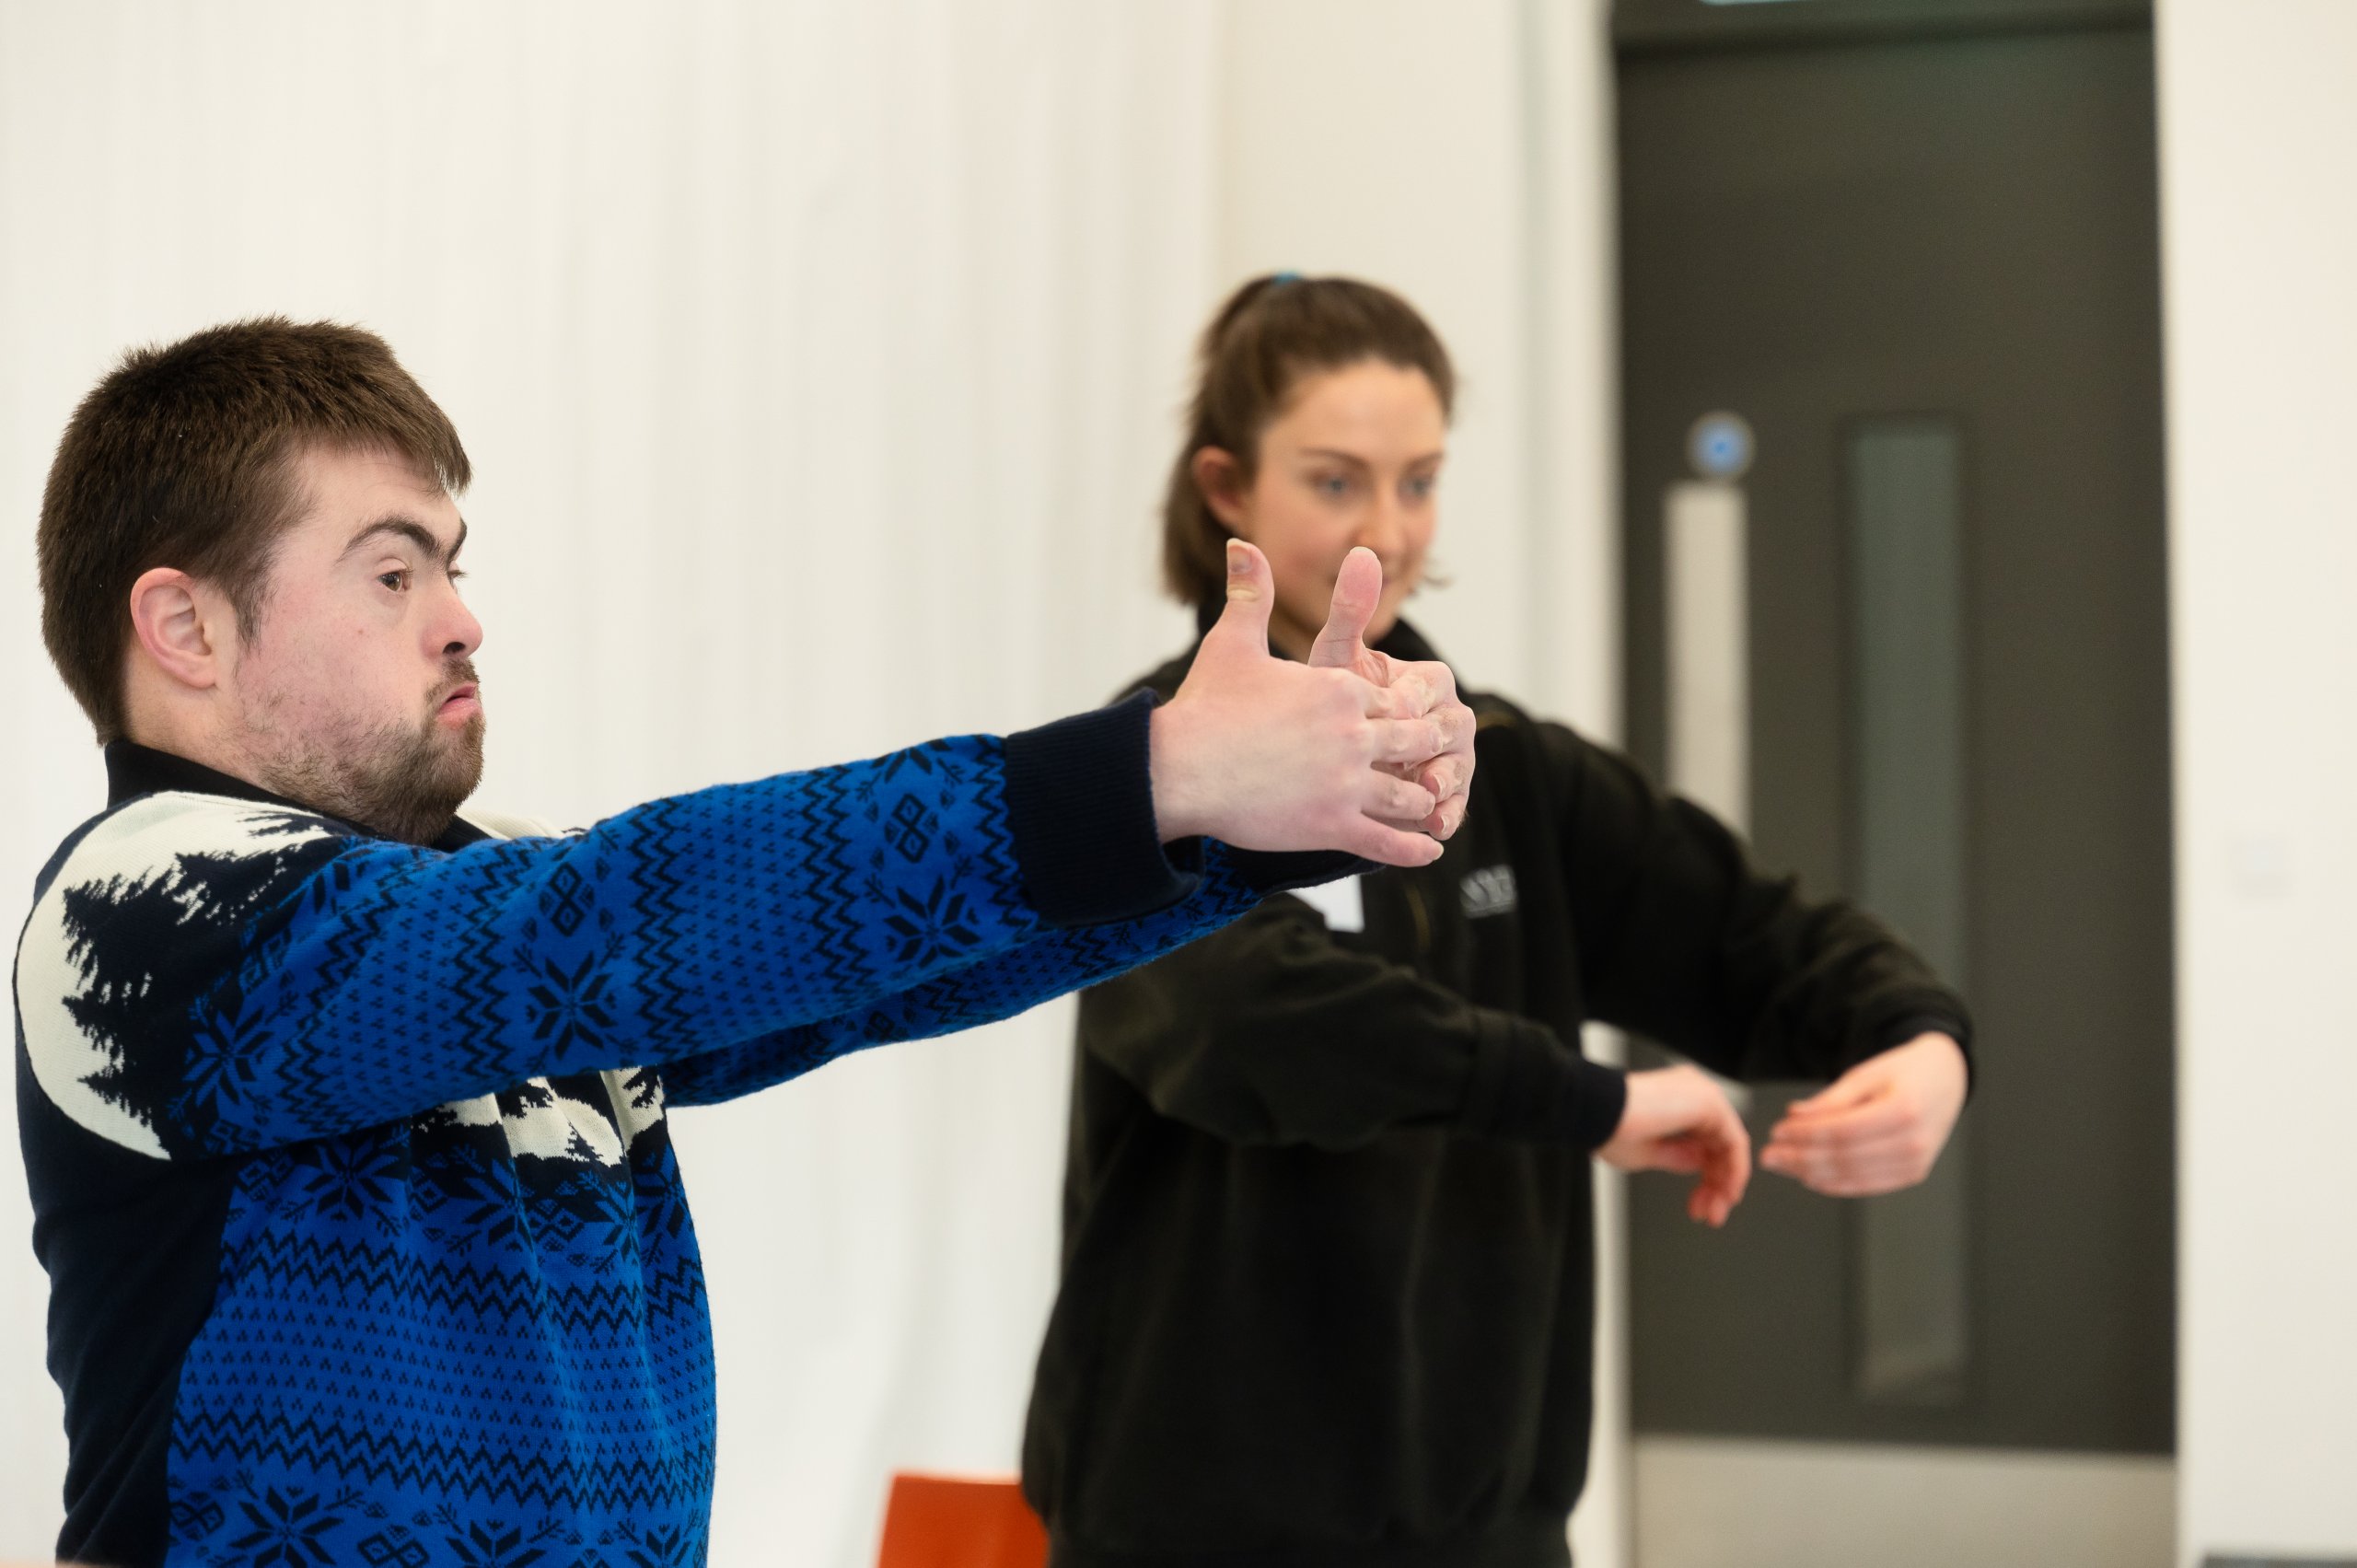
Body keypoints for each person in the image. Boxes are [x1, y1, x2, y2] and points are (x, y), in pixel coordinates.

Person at [12, 318, 1478, 1568]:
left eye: (454, 567)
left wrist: (1239, 836)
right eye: (393, 574)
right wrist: (1154, 771)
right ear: (184, 628)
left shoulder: (479, 885)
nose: (463, 619)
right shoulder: (139, 918)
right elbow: (610, 924)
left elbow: (856, 971)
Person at [1019, 275, 1975, 1566]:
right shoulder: (1135, 782)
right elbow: (1270, 1031)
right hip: (1192, 1522)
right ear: (1227, 490)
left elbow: (1753, 939)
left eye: (1418, 482)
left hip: (1485, 1524)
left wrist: (1919, 1042)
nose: (1386, 532)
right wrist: (1594, 1103)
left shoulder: (1512, 772)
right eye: (1336, 480)